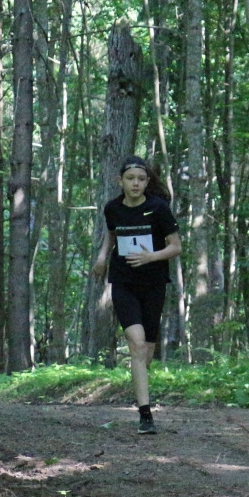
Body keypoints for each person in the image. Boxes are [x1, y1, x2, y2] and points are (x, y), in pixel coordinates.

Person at [90, 155, 182, 435]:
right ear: (121, 181)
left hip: (153, 285)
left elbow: (176, 246)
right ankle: (145, 415)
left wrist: (151, 257)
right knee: (137, 345)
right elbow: (112, 233)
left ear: (147, 182)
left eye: (141, 179)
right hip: (123, 283)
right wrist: (103, 256)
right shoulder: (113, 208)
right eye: (131, 179)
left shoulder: (158, 208)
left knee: (146, 352)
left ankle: (141, 387)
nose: (136, 183)